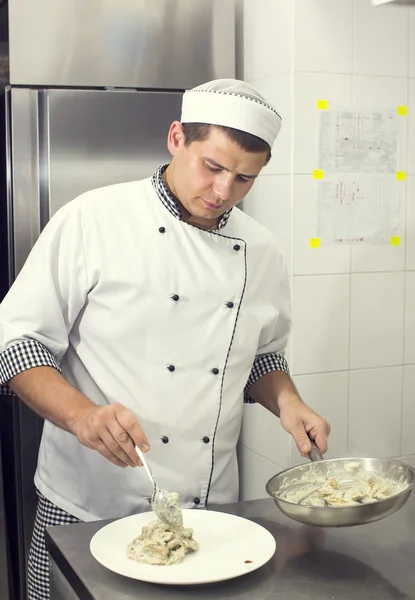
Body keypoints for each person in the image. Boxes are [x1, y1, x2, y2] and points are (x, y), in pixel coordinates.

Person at [0, 79, 330, 600]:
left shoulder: (261, 250)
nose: (223, 191)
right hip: (89, 500)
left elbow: (262, 355)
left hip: (210, 510)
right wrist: (82, 415)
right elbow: (17, 344)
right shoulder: (93, 219)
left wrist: (288, 402)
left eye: (244, 179)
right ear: (176, 137)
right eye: (213, 167)